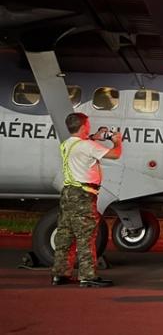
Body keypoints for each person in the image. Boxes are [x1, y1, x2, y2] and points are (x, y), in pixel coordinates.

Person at [51, 113, 121, 287]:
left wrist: (94, 137)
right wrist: (117, 141)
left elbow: (81, 144)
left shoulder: (67, 144)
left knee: (65, 234)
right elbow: (115, 154)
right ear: (84, 127)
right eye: (88, 125)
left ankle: (60, 274)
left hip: (68, 193)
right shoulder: (88, 146)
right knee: (86, 236)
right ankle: (87, 276)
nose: (89, 127)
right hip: (83, 195)